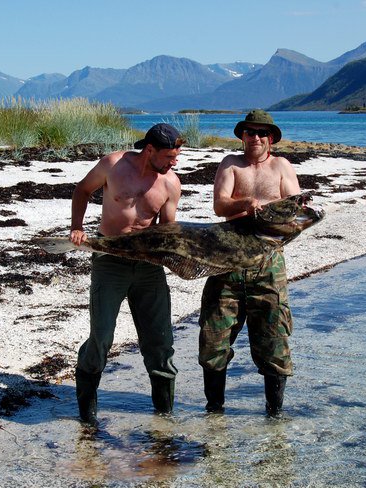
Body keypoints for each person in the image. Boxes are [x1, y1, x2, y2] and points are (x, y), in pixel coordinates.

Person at [70, 123, 183, 425]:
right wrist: (77, 227)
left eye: (176, 157)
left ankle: (163, 423)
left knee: (160, 342)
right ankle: (87, 418)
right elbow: (82, 189)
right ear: (149, 150)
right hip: (110, 261)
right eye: (169, 156)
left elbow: (166, 228)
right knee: (101, 338)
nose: (174, 162)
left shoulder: (171, 183)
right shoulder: (113, 165)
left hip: (148, 266)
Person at [198, 110, 300, 417]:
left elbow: (295, 208)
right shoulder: (231, 164)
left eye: (260, 133)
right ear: (242, 136)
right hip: (227, 260)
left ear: (270, 138)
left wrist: (266, 209)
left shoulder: (282, 166)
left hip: (268, 265)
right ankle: (214, 413)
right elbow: (219, 206)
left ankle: (275, 417)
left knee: (274, 340)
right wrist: (245, 203)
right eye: (248, 132)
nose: (254, 137)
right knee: (214, 340)